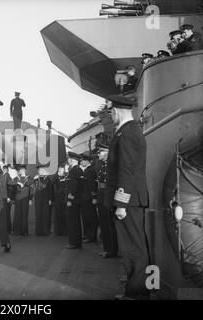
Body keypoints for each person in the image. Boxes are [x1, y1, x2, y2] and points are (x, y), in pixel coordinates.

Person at [104, 94, 150, 300]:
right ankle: (139, 289)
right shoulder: (127, 131)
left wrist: (121, 204)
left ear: (116, 110)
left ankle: (138, 293)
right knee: (133, 245)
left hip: (128, 201)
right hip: (130, 199)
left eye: (111, 111)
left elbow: (127, 170)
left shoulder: (128, 133)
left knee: (133, 247)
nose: (111, 115)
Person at [95, 143, 118, 258]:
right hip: (102, 196)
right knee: (104, 224)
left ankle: (111, 250)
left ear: (107, 152)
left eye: (100, 152)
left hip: (107, 198)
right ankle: (108, 248)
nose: (98, 154)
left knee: (109, 224)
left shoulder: (110, 165)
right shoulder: (103, 165)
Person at [12, 164, 33, 236]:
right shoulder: (16, 178)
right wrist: (17, 182)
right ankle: (16, 231)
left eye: (23, 170)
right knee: (17, 215)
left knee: (24, 214)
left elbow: (31, 186)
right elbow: (12, 183)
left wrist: (30, 199)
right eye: (20, 170)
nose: (21, 171)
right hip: (18, 198)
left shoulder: (29, 178)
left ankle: (24, 231)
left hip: (25, 198)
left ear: (25, 170)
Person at [33, 164, 52, 236]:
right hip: (38, 199)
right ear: (38, 171)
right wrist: (35, 179)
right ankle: (38, 231)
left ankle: (46, 230)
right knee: (38, 214)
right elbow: (33, 188)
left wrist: (50, 199)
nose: (41, 171)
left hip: (46, 198)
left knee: (46, 214)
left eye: (43, 170)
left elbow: (50, 190)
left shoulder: (47, 179)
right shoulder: (35, 178)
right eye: (40, 170)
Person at [52, 164, 69, 236]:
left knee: (65, 214)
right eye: (60, 169)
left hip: (65, 197)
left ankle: (65, 230)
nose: (62, 170)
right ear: (58, 169)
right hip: (58, 197)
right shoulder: (55, 177)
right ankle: (58, 231)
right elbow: (52, 183)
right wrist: (57, 175)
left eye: (63, 169)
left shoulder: (66, 176)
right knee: (58, 214)